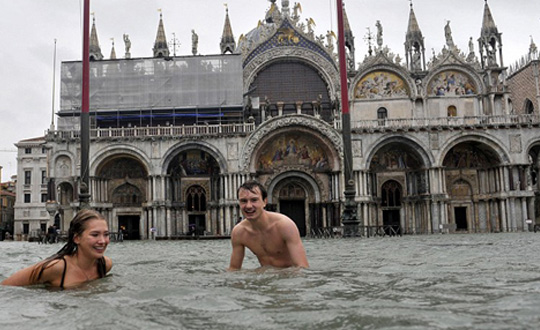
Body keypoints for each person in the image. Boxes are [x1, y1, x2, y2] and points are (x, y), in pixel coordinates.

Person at [1, 209, 113, 289]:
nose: (102, 241)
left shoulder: (105, 265)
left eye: (106, 234)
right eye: (95, 235)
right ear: (77, 238)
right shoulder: (57, 267)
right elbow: (6, 286)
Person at [228, 180, 309, 270]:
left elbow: (302, 267)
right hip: (264, 278)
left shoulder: (285, 226)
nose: (249, 206)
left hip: (288, 279)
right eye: (243, 201)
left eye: (254, 200)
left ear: (264, 202)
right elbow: (234, 269)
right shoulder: (239, 232)